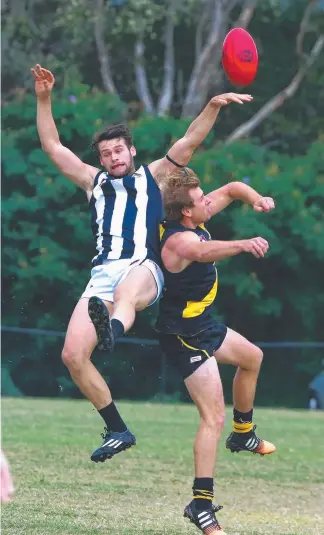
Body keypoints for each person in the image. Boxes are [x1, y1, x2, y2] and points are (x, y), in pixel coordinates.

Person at [31, 63, 253, 463]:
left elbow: (190, 141)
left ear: (131, 151)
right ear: (100, 159)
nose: (113, 157)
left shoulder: (154, 176)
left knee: (126, 294)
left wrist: (214, 106)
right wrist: (44, 98)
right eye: (105, 153)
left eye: (118, 150)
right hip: (101, 276)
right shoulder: (93, 182)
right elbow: (52, 147)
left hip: (144, 269)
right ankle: (117, 428)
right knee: (72, 356)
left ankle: (113, 328)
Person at [155, 168, 276, 534]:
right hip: (182, 335)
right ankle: (201, 505)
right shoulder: (177, 241)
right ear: (187, 213)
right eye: (201, 199)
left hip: (203, 324)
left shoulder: (195, 213)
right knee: (212, 419)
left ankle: (243, 434)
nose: (209, 200)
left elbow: (233, 187)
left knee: (252, 358)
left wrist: (255, 198)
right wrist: (242, 244)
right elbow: (203, 250)